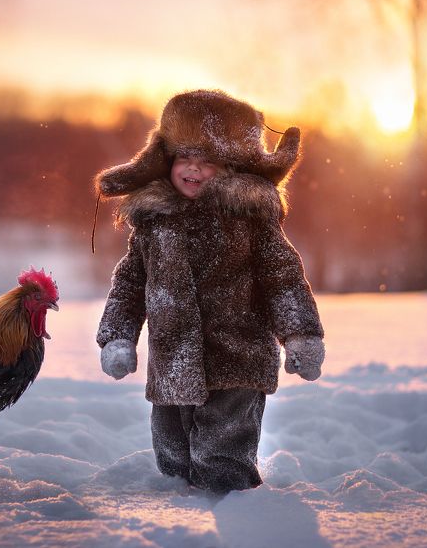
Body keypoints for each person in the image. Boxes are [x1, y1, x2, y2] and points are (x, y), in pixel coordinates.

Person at [94, 89, 325, 494]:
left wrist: (301, 334)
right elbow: (129, 285)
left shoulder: (250, 220)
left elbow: (283, 279)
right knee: (172, 457)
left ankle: (233, 509)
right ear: (165, 160)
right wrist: (117, 337)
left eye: (209, 161)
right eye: (184, 157)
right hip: (172, 361)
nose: (194, 168)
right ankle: (178, 512)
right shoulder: (153, 223)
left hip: (237, 358)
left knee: (222, 458)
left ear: (233, 167)